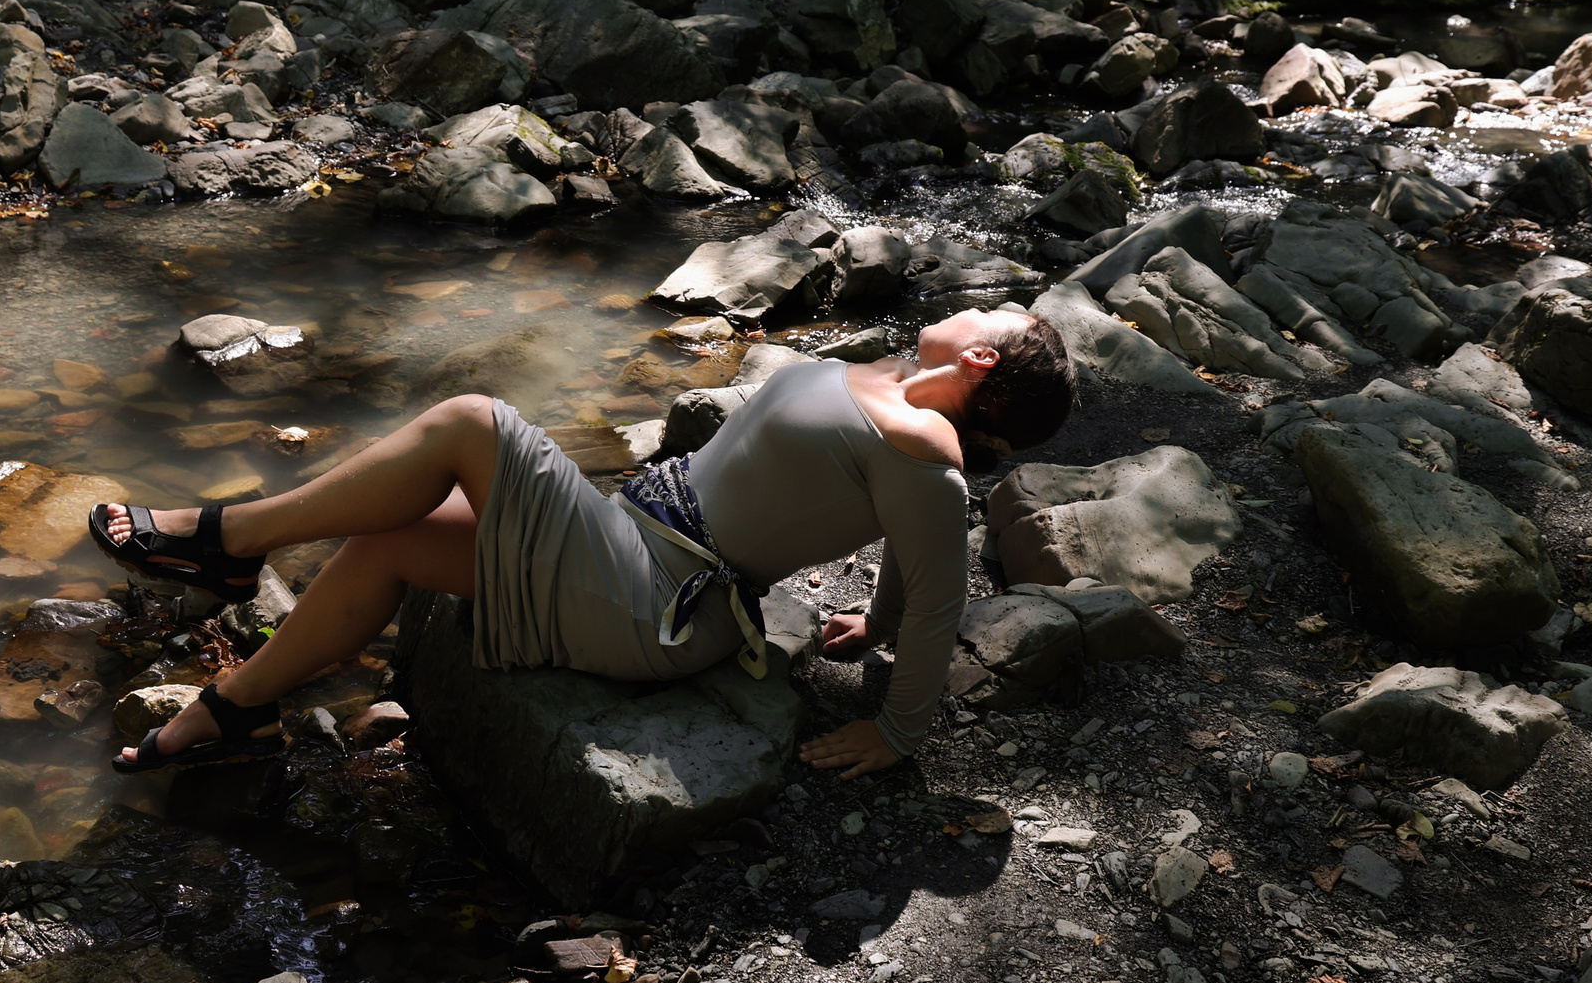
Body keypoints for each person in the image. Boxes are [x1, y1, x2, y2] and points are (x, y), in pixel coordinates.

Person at [90, 306, 1075, 780]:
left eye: (990, 309)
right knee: (388, 541)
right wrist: (877, 624)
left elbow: (939, 581)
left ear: (980, 354)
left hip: (658, 599)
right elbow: (909, 557)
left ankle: (229, 540)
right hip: (626, 537)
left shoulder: (924, 448)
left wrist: (895, 730)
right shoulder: (891, 385)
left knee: (472, 420)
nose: (969, 301)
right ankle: (237, 709)